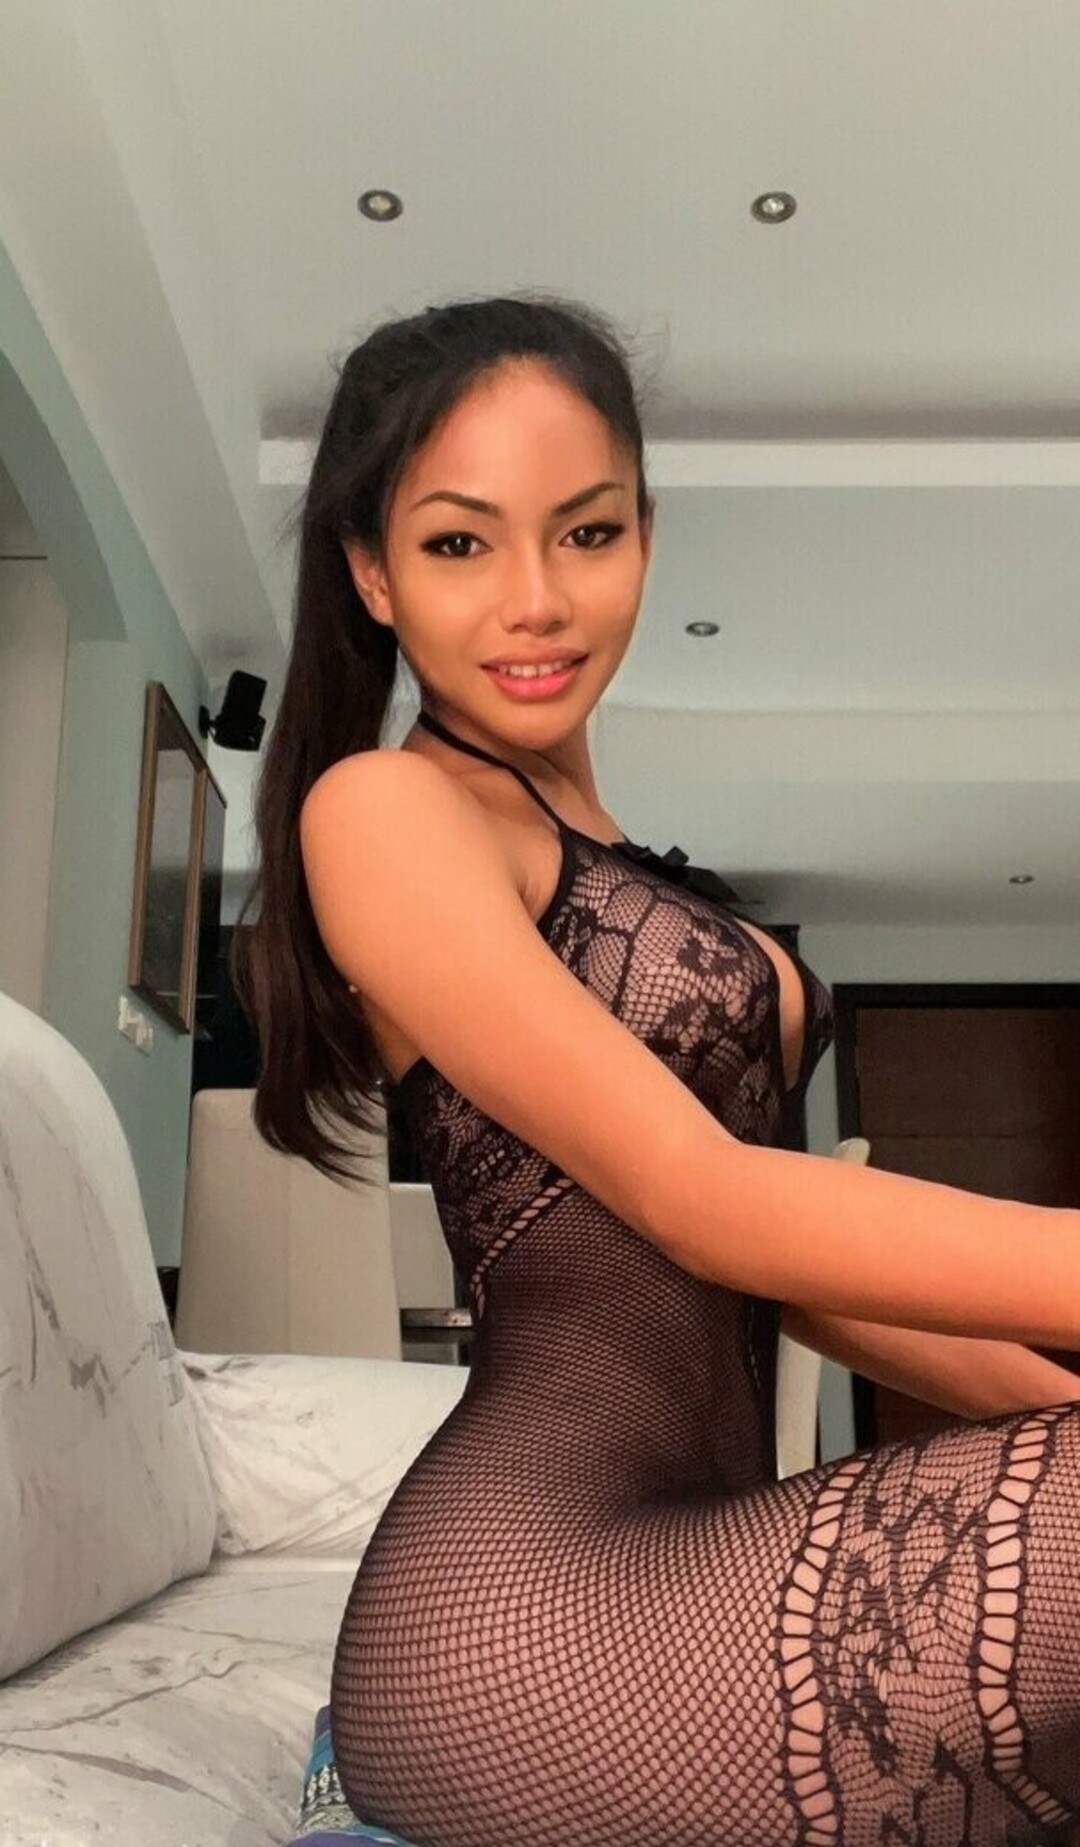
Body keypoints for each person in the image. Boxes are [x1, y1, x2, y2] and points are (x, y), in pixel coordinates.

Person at [235, 294, 1080, 1847]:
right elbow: (702, 1198)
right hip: (524, 1614)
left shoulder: (617, 863)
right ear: (373, 574)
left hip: (696, 1562)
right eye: (460, 543)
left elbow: (781, 1281)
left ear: (646, 534)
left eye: (588, 531)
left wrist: (1050, 1394)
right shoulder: (386, 810)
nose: (537, 601)